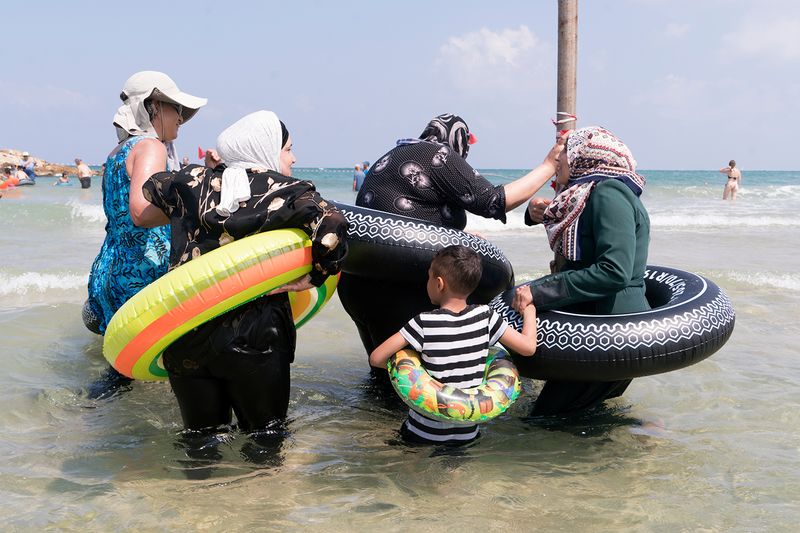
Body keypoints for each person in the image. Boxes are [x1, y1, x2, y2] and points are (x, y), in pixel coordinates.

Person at [142, 110, 349, 438]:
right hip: (255, 336)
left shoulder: (188, 182)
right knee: (265, 438)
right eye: (288, 149)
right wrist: (314, 278)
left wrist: (212, 174)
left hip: (186, 331)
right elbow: (333, 225)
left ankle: (194, 489)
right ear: (264, 148)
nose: (293, 158)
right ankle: (260, 490)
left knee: (201, 439)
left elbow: (151, 187)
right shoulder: (290, 191)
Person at [339, 113, 564, 364]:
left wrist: (457, 236)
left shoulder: (394, 154)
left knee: (383, 378)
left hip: (357, 285)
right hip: (401, 286)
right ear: (459, 143)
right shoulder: (440, 156)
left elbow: (409, 215)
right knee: (416, 385)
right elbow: (494, 201)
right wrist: (549, 166)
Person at [85, 71, 206, 398]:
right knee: (172, 374)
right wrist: (193, 204)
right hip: (142, 273)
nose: (180, 119)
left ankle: (84, 420)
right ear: (153, 107)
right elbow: (140, 212)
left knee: (121, 376)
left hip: (110, 271)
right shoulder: (150, 146)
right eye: (174, 109)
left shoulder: (117, 153)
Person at [514, 126, 651, 416]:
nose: (558, 156)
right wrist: (534, 212)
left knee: (546, 421)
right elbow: (576, 229)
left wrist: (538, 293)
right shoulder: (586, 193)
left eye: (565, 149)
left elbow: (614, 271)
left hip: (611, 332)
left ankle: (643, 432)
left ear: (585, 156)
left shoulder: (609, 192)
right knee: (577, 418)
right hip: (597, 326)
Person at [369, 245, 537, 445]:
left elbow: (377, 358)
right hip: (466, 436)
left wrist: (415, 362)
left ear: (439, 283)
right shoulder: (486, 318)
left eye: (429, 276)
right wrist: (529, 310)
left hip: (421, 433)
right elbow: (528, 348)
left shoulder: (423, 323)